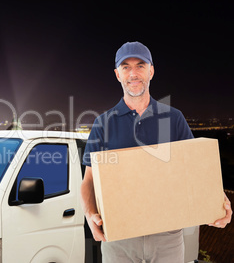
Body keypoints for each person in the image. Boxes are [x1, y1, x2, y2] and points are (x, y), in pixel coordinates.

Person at [80, 41, 232, 263]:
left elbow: (196, 170)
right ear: (117, 74)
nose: (134, 73)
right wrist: (89, 213)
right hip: (119, 239)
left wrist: (218, 203)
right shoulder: (103, 123)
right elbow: (89, 180)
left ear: (151, 71)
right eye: (126, 67)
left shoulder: (173, 118)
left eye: (140, 65)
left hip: (167, 238)